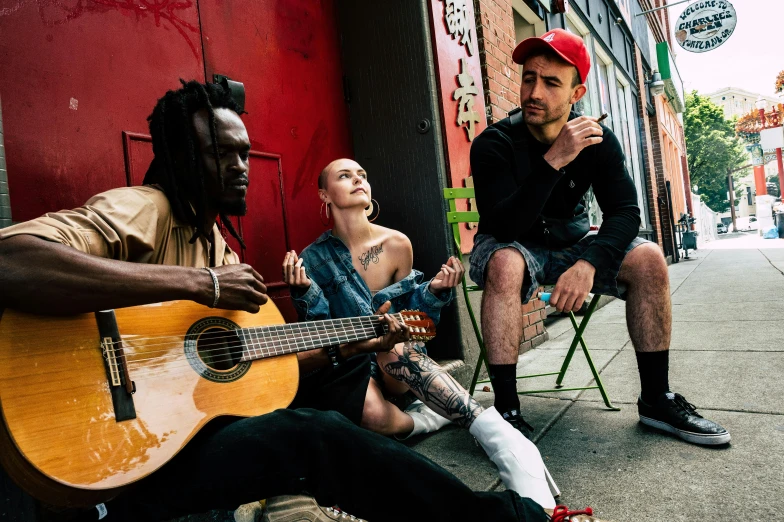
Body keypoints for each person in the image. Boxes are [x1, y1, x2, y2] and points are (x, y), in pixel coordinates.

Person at [0, 81, 567, 522]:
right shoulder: (146, 208)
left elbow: (257, 362)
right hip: (122, 457)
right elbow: (13, 260)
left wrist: (358, 342)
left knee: (328, 385)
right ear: (179, 158)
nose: (241, 168)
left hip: (189, 433)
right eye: (222, 155)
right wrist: (200, 285)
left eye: (245, 154)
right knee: (313, 435)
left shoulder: (212, 241)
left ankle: (458, 428)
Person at [469, 29, 730, 446]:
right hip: (512, 241)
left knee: (648, 259)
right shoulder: (493, 144)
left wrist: (590, 263)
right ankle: (506, 412)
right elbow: (503, 228)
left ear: (577, 94)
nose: (534, 91)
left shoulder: (597, 140)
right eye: (529, 77)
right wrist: (554, 160)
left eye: (551, 82)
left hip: (572, 240)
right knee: (505, 261)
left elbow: (626, 211)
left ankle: (656, 399)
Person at [282, 158, 559, 510]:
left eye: (363, 175)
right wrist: (304, 291)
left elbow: (418, 321)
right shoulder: (314, 258)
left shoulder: (397, 244)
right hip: (353, 364)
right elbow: (320, 330)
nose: (358, 180)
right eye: (344, 175)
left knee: (393, 344)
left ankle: (501, 438)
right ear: (324, 194)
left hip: (397, 361)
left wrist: (436, 292)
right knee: (372, 419)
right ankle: (426, 419)